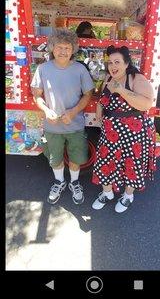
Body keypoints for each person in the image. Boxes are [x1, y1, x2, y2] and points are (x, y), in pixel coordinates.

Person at [31, 28, 94, 205]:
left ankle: (74, 182)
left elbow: (88, 95)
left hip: (75, 125)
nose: (63, 51)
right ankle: (59, 181)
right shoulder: (43, 69)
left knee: (76, 157)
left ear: (73, 49)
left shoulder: (80, 69)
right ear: (52, 48)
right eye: (59, 47)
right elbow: (37, 95)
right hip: (52, 126)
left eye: (67, 47)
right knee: (55, 158)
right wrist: (46, 110)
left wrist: (73, 112)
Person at [92, 45, 156, 213]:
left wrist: (121, 90)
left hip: (133, 135)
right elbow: (103, 97)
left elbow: (146, 104)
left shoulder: (136, 78)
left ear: (127, 63)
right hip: (110, 133)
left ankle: (128, 196)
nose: (113, 66)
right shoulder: (108, 78)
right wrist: (99, 107)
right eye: (110, 62)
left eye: (117, 62)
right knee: (104, 162)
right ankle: (107, 193)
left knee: (131, 165)